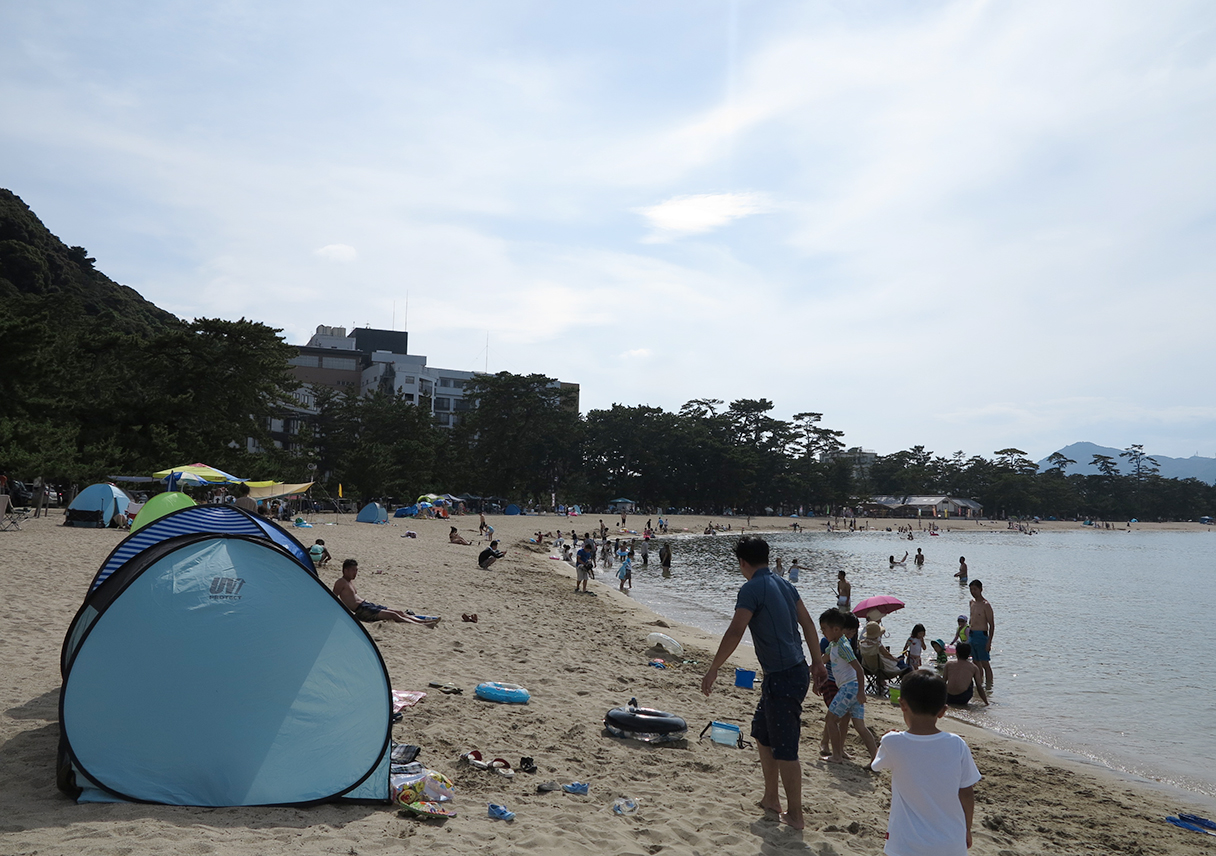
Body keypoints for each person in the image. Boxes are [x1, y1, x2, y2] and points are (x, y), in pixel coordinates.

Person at [700, 537, 828, 830]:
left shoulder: (751, 588)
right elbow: (808, 624)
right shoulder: (784, 584)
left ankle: (796, 815)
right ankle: (772, 798)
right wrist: (817, 662)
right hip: (785, 674)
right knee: (761, 732)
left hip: (784, 675)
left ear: (743, 563)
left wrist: (713, 668)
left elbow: (735, 631)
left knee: (785, 748)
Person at [871, 671, 982, 856]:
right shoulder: (957, 744)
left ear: (902, 704)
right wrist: (967, 829)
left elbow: (876, 764)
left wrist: (886, 738)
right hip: (950, 842)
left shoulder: (892, 742)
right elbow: (967, 793)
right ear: (943, 711)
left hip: (905, 844)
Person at [820, 608, 878, 766]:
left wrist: (861, 692)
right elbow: (822, 660)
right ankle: (876, 758)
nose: (822, 632)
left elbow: (859, 669)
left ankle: (837, 756)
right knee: (859, 726)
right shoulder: (833, 645)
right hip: (852, 688)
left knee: (830, 719)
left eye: (824, 629)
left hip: (850, 688)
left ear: (836, 629)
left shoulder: (844, 645)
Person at [332, 559, 439, 627]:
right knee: (393, 615)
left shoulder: (350, 581)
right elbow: (333, 598)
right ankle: (421, 625)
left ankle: (423, 622)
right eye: (353, 570)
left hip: (367, 605)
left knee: (399, 611)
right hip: (362, 611)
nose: (356, 573)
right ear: (345, 570)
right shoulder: (341, 582)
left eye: (356, 570)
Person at [943, 642, 989, 707]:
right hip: (962, 698)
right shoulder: (974, 667)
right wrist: (986, 702)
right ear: (969, 654)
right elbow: (979, 687)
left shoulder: (949, 664)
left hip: (948, 698)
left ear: (957, 653)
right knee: (971, 682)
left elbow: (943, 681)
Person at [968, 580, 995, 687]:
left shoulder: (986, 605)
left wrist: (989, 642)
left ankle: (989, 686)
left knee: (985, 663)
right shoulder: (971, 603)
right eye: (971, 589)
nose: (973, 592)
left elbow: (992, 625)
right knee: (975, 663)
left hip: (982, 636)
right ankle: (979, 684)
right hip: (972, 634)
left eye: (975, 589)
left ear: (981, 589)